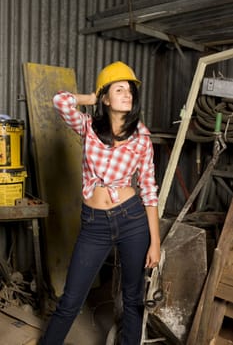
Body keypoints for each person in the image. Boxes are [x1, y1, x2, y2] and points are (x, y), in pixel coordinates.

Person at [39, 61, 160, 345]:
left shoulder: (142, 137)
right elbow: (60, 101)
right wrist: (91, 98)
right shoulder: (88, 127)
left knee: (132, 298)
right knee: (71, 299)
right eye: (119, 89)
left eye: (130, 89)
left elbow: (149, 190)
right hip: (94, 224)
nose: (127, 94)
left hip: (132, 220)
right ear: (105, 97)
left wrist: (154, 242)